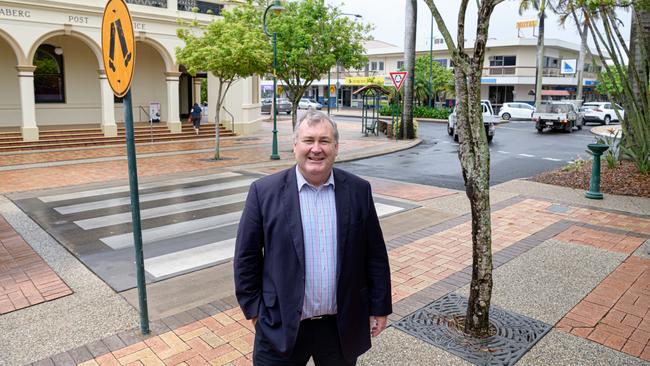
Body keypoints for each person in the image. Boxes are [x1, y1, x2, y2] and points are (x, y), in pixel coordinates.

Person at [234, 110, 392, 366]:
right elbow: (246, 258)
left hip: (339, 328)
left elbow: (374, 254)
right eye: (308, 140)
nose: (316, 149)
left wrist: (379, 307)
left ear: (336, 147)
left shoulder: (358, 191)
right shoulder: (264, 192)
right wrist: (255, 312)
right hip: (280, 324)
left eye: (324, 141)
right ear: (295, 145)